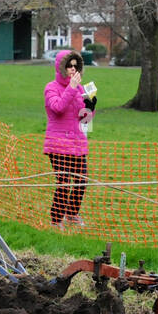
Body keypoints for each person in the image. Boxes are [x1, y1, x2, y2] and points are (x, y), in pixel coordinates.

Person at [44, 50, 94, 228]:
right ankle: (56, 220)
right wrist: (71, 88)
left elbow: (85, 119)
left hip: (78, 143)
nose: (73, 69)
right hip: (58, 143)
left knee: (81, 180)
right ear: (61, 67)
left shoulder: (81, 88)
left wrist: (91, 106)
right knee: (64, 182)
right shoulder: (51, 87)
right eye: (69, 65)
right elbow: (57, 108)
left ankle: (72, 214)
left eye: (75, 66)